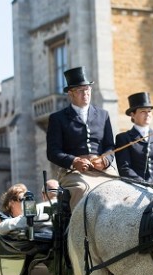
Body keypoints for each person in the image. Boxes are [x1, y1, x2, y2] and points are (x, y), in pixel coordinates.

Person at [46, 66, 118, 210]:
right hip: (74, 173)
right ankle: (79, 231)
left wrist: (105, 160)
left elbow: (110, 146)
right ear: (71, 94)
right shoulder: (57, 118)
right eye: (80, 90)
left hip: (103, 170)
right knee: (83, 190)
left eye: (87, 89)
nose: (85, 93)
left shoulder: (103, 115)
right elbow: (53, 152)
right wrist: (74, 161)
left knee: (120, 189)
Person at [115, 92, 153, 183]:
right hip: (135, 186)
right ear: (132, 115)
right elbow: (124, 168)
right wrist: (143, 184)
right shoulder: (123, 138)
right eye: (143, 111)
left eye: (149, 111)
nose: (147, 114)